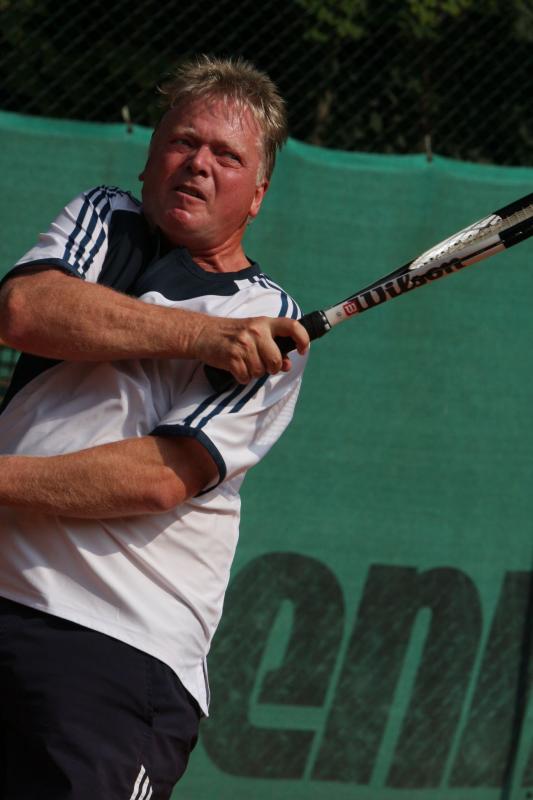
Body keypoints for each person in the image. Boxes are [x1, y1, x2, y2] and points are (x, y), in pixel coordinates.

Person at [0, 55, 309, 799]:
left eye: (227, 156)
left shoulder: (269, 320)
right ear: (149, 157)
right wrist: (199, 338)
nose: (198, 163)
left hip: (118, 645)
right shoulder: (106, 219)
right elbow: (24, 311)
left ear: (258, 194)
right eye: (183, 141)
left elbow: (158, 478)